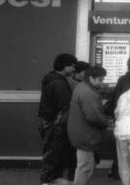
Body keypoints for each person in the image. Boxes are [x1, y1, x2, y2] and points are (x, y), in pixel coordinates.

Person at [38, 53, 78, 185]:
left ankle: (50, 179)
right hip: (54, 124)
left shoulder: (50, 79)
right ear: (64, 66)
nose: (73, 69)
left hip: (46, 121)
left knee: (51, 152)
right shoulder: (59, 82)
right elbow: (66, 105)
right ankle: (48, 180)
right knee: (53, 153)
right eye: (71, 66)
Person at [67, 66, 110, 185]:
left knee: (83, 166)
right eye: (100, 80)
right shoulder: (88, 93)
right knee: (85, 168)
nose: (102, 83)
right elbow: (93, 116)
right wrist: (106, 123)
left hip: (80, 133)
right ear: (91, 78)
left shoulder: (81, 87)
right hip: (86, 135)